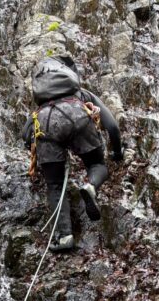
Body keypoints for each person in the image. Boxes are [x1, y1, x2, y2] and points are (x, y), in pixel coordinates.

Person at [23, 55, 124, 252]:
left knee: (55, 185)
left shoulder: (40, 108)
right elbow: (112, 126)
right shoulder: (81, 94)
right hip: (78, 114)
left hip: (45, 123)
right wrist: (118, 152)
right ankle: (91, 186)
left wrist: (45, 154)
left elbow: (26, 135)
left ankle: (64, 237)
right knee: (97, 165)